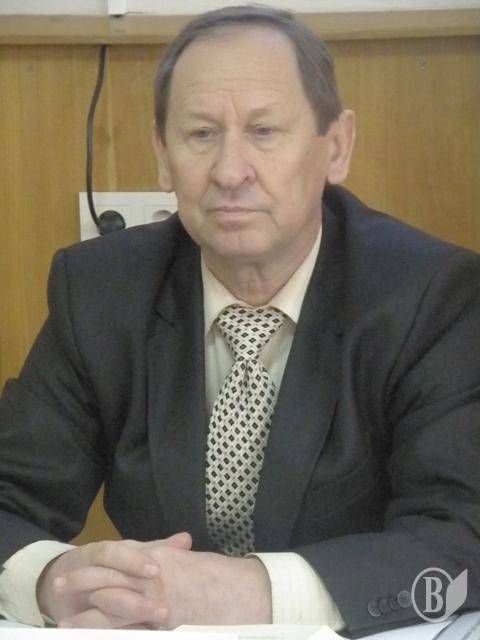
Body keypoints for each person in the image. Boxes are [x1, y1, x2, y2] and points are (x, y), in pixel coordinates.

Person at [1, 4, 479, 635]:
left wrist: (252, 591)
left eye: (264, 131)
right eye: (201, 134)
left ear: (336, 147)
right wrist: (49, 579)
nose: (229, 172)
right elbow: (10, 497)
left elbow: (462, 535)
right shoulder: (98, 291)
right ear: (163, 155)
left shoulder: (430, 295)